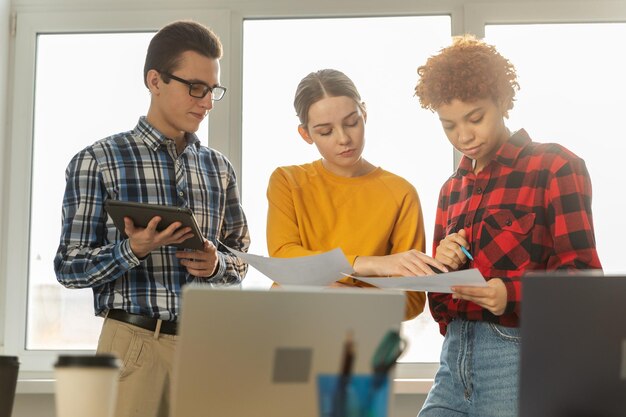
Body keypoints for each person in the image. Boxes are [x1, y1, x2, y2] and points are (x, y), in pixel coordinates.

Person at [54, 20, 250, 417]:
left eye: (213, 90)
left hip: (207, 348)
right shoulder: (98, 161)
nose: (207, 101)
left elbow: (242, 256)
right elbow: (68, 268)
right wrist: (132, 250)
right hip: (132, 344)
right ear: (155, 80)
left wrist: (217, 265)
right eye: (195, 87)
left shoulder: (219, 169)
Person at [413, 35, 602, 417]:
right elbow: (441, 303)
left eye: (475, 118)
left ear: (501, 101)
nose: (463, 136)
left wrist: (511, 294)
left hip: (517, 356)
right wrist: (443, 265)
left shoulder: (554, 166)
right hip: (453, 362)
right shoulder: (451, 189)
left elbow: (583, 281)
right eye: (448, 125)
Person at [266, 69, 446, 320]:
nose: (343, 139)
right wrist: (373, 264)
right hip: (289, 323)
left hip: (359, 337)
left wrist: (337, 295)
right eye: (325, 131)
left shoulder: (400, 193)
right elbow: (285, 259)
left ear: (365, 114)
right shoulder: (287, 181)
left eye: (352, 123)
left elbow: (412, 299)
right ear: (306, 134)